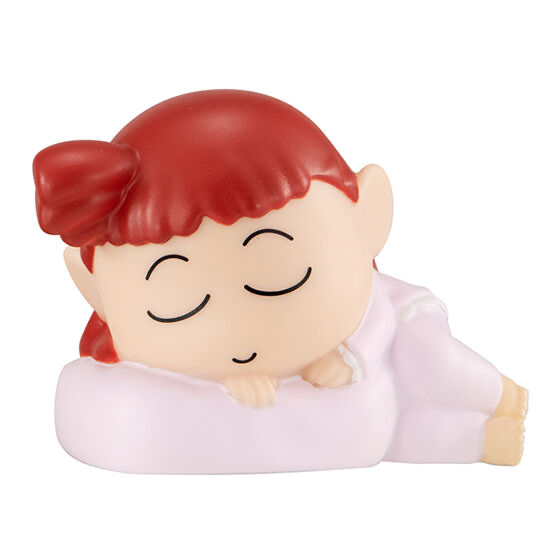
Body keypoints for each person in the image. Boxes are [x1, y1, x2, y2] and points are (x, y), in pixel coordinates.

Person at [33, 90, 527, 473]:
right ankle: (478, 439)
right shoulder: (127, 405)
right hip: (372, 415)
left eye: (278, 280)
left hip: (394, 330)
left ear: (370, 220)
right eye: (182, 304)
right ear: (94, 291)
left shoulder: (379, 311)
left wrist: (347, 356)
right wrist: (242, 380)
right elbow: (381, 433)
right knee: (393, 426)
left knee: (433, 366)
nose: (233, 327)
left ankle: (501, 393)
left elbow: (378, 342)